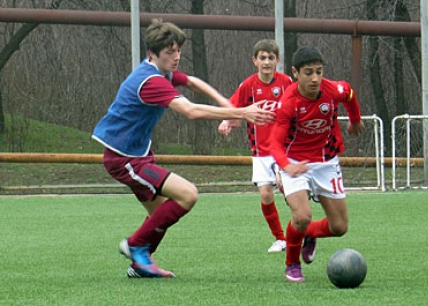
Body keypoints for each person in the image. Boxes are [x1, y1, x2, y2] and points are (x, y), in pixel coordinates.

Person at [91, 19, 275, 278]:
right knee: (187, 195)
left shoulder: (160, 71)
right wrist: (241, 112)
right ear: (152, 54)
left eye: (178, 51)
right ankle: (133, 245)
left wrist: (225, 103)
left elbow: (192, 81)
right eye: (170, 52)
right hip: (125, 160)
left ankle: (141, 264)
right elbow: (190, 110)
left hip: (137, 155)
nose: (176, 57)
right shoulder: (150, 81)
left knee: (160, 214)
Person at [269, 46, 365, 282]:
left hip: (326, 161)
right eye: (308, 72)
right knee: (302, 216)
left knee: (339, 227)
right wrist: (286, 165)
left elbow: (350, 94)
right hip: (294, 162)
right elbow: (274, 144)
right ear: (295, 73)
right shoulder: (288, 102)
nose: (315, 78)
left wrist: (354, 120)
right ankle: (292, 263)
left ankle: (308, 234)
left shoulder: (333, 90)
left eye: (319, 72)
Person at [218, 39, 293, 253]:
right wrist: (226, 121)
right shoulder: (248, 85)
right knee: (266, 195)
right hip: (260, 151)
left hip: (284, 147)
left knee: (287, 188)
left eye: (271, 58)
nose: (267, 62)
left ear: (277, 60)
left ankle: (299, 231)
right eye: (263, 58)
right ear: (255, 60)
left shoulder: (286, 82)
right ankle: (280, 239)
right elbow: (233, 107)